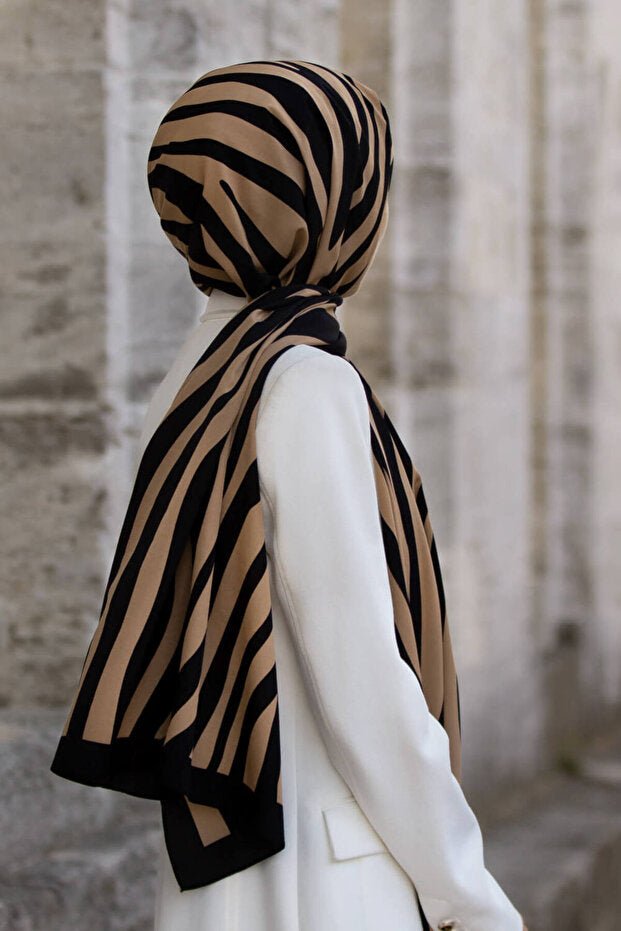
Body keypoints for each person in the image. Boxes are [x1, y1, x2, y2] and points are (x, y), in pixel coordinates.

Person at [50, 59, 528, 931]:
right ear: (323, 204)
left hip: (239, 872)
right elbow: (360, 674)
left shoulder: (199, 374)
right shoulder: (304, 380)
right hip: (326, 876)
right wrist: (466, 890)